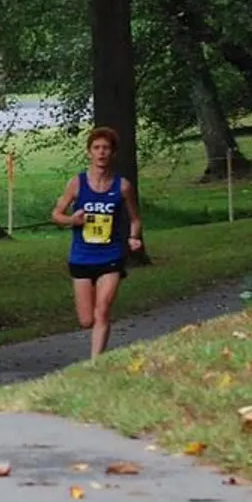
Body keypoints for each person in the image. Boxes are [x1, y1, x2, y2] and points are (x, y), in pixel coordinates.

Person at [50, 126, 143, 360]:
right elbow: (56, 215)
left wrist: (133, 238)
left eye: (106, 148)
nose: (101, 153)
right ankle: (95, 351)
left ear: (113, 153)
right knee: (86, 320)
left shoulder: (122, 186)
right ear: (89, 152)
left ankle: (95, 363)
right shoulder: (77, 183)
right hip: (81, 256)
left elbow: (135, 219)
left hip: (111, 256)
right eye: (97, 148)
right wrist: (73, 220)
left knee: (102, 311)